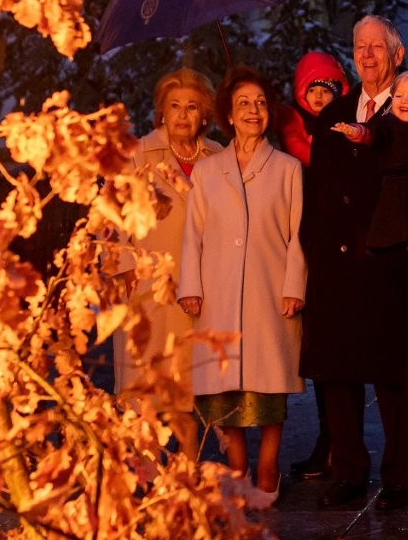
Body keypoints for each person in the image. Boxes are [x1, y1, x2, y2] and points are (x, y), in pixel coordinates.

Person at [300, 15, 408, 512]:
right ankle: (347, 468)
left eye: (377, 47)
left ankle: (401, 475)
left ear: (396, 55)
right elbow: (322, 188)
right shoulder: (337, 111)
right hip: (335, 262)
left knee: (393, 375)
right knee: (338, 372)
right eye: (359, 46)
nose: (367, 55)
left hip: (388, 259)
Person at [177, 66, 306, 506]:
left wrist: (294, 285)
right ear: (228, 116)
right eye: (243, 104)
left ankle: (268, 464)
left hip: (270, 291)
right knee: (222, 383)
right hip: (217, 290)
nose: (253, 111)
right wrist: (190, 285)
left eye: (260, 103)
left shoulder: (287, 168)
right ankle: (237, 465)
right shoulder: (208, 172)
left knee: (270, 384)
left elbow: (298, 235)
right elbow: (192, 234)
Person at [114, 68, 222, 417]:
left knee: (189, 394)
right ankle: (147, 469)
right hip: (149, 289)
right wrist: (124, 271)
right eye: (174, 106)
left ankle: (188, 467)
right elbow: (112, 218)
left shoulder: (218, 156)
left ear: (205, 113)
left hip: (201, 290)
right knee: (147, 391)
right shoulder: (139, 154)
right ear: (161, 111)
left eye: (192, 107)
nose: (182, 114)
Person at [276, 50, 348, 481]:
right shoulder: (290, 132)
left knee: (337, 355)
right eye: (313, 91)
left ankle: (339, 442)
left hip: (336, 254)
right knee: (319, 357)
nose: (320, 99)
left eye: (328, 90)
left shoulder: (345, 128)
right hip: (303, 250)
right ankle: (328, 438)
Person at [334, 69, 408, 326]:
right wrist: (356, 132)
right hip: (399, 198)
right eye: (398, 96)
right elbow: (372, 134)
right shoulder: (389, 124)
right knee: (390, 260)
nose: (402, 102)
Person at [278, 50, 349, 168]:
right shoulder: (293, 117)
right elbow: (297, 149)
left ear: (335, 97)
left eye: (326, 91)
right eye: (312, 90)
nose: (318, 96)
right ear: (303, 93)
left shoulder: (341, 118)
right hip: (302, 179)